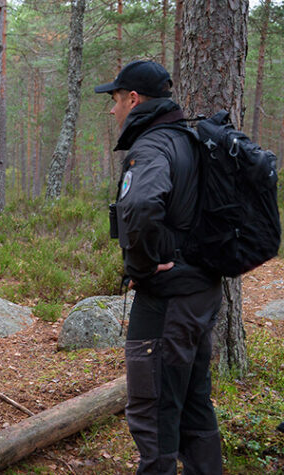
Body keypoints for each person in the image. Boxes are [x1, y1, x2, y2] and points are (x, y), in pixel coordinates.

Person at [95, 60, 223, 474]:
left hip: (167, 300)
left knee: (154, 412)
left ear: (133, 99)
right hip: (200, 292)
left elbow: (142, 205)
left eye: (114, 100)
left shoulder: (151, 147)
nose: (112, 110)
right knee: (193, 403)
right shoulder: (188, 140)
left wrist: (145, 266)